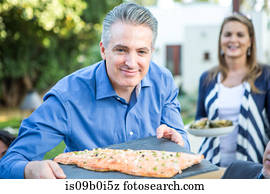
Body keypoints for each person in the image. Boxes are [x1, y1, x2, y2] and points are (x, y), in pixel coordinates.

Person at [0, 3, 190, 179]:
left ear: (151, 52)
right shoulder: (67, 96)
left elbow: (185, 149)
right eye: (121, 50)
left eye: (141, 52)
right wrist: (28, 170)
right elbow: (9, 163)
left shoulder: (163, 81)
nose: (131, 63)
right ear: (103, 50)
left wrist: (176, 143)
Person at [195, 13, 270, 167]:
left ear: (250, 41)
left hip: (253, 165)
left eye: (240, 35)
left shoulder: (265, 75)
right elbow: (200, 118)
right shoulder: (207, 78)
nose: (233, 40)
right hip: (211, 164)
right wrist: (202, 123)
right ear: (221, 40)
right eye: (227, 34)